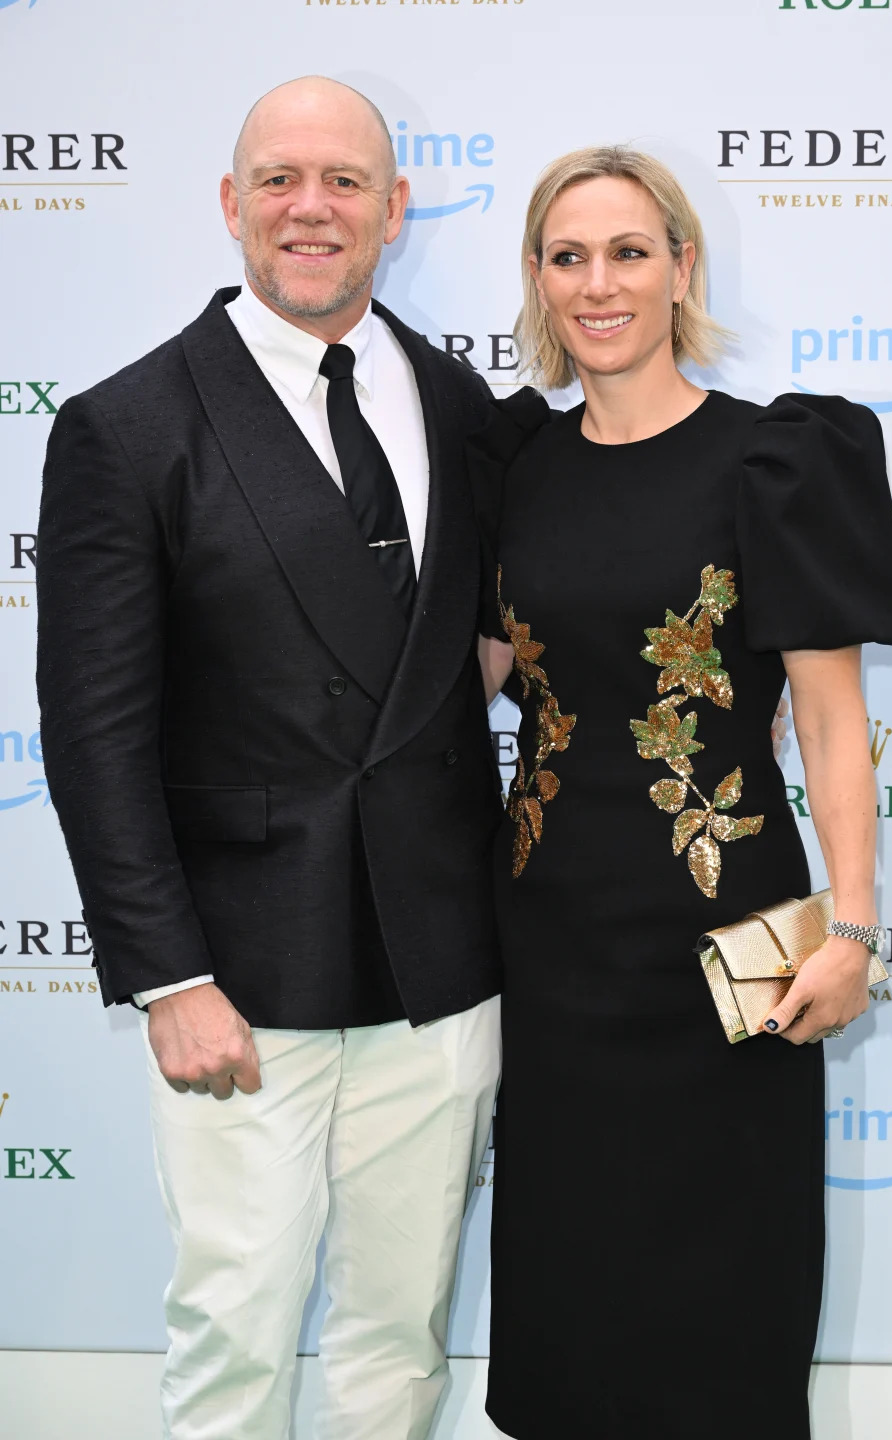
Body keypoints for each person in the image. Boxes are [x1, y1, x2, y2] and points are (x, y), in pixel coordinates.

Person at [35, 76, 504, 1440]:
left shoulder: (465, 404)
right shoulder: (126, 428)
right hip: (236, 975)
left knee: (400, 1331)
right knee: (237, 1325)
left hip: (440, 960)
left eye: (347, 182)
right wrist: (167, 973)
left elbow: (491, 640)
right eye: (283, 179)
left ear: (396, 209)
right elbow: (94, 729)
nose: (315, 208)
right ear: (230, 204)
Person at [471, 147, 892, 1440]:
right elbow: (488, 675)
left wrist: (858, 921)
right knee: (570, 1302)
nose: (597, 285)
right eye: (568, 257)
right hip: (549, 952)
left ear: (681, 267)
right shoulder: (511, 466)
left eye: (626, 253)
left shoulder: (773, 461)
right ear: (540, 285)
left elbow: (830, 721)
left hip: (736, 957)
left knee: (725, 1309)